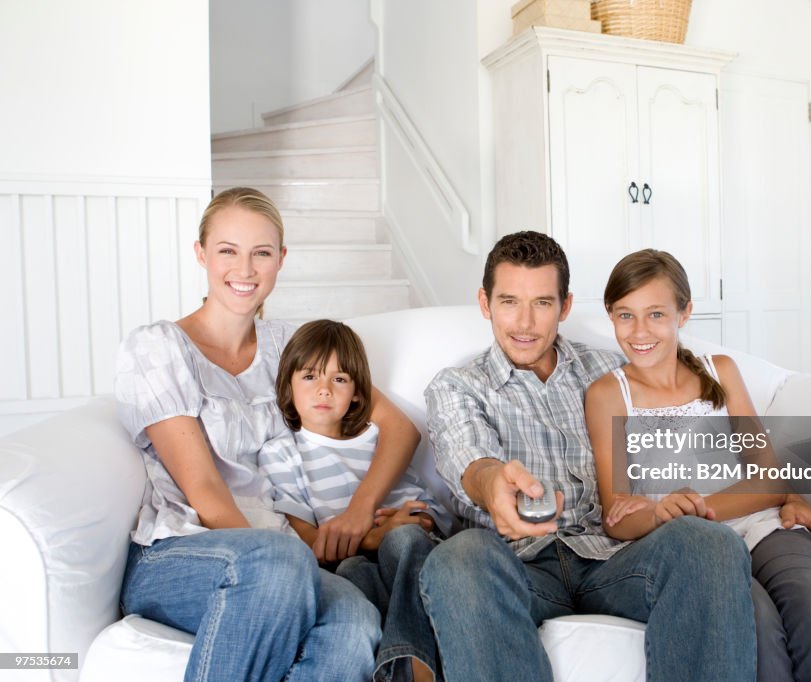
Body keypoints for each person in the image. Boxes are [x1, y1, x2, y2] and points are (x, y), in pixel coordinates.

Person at [420, 231, 756, 682]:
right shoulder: (458, 385)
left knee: (708, 542)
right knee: (456, 557)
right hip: (517, 565)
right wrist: (492, 482)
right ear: (485, 303)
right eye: (508, 302)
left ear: (565, 306)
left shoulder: (610, 371)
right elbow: (469, 456)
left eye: (542, 303)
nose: (524, 322)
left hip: (615, 557)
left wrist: (787, 492)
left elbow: (695, 413)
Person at [114, 187, 420, 682]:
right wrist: (289, 558)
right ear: (201, 254)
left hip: (284, 553)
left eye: (261, 253)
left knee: (356, 620)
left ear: (281, 259)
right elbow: (207, 492)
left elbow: (400, 428)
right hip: (182, 552)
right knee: (278, 563)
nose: (246, 269)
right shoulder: (158, 348)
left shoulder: (291, 347)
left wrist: (360, 511)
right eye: (227, 251)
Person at [585, 248, 811, 682]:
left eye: (656, 314)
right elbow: (616, 517)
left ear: (685, 312)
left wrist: (696, 506)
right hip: (697, 550)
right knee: (757, 625)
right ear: (610, 314)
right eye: (625, 315)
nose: (640, 331)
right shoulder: (608, 394)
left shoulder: (721, 372)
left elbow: (768, 479)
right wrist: (661, 514)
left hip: (764, 527)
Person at [259, 318, 453, 682]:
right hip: (351, 562)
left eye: (339, 379)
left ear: (358, 394)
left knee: (405, 539)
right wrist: (370, 538)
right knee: (351, 573)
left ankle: (413, 670)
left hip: (414, 550)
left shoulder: (375, 438)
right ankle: (410, 662)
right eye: (309, 377)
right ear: (287, 386)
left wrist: (394, 531)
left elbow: (426, 517)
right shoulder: (281, 455)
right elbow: (309, 545)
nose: (323, 390)